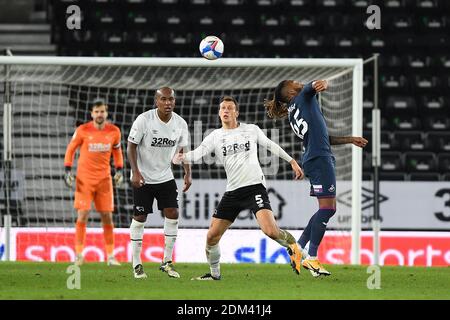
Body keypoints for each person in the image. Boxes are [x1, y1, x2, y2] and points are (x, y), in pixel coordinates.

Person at [173, 96, 304, 280]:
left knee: (271, 231)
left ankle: (296, 249)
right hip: (233, 191)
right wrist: (181, 158)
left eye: (229, 108)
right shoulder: (215, 136)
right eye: (222, 108)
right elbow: (197, 154)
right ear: (219, 113)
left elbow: (270, 145)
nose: (225, 111)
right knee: (211, 236)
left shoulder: (251, 130)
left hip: (254, 187)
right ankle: (214, 275)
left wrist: (291, 161)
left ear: (237, 112)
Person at [264, 79, 368, 277]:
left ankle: (298, 248)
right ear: (291, 92)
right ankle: (311, 258)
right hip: (319, 159)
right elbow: (315, 84)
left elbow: (323, 138)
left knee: (326, 208)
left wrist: (350, 139)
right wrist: (324, 83)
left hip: (314, 158)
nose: (299, 82)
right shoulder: (303, 96)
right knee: (328, 208)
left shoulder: (295, 111)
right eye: (295, 82)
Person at [127, 87, 191, 279]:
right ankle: (137, 264)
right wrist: (136, 172)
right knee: (140, 216)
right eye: (163, 99)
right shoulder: (144, 120)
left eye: (171, 99)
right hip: (143, 177)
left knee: (173, 212)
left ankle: (166, 261)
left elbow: (182, 150)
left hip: (165, 176)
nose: (168, 103)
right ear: (156, 101)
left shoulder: (180, 123)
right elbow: (131, 146)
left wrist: (188, 173)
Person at [64, 99, 124, 266]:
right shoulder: (83, 130)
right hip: (84, 180)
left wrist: (119, 170)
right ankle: (78, 255)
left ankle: (111, 256)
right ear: (91, 114)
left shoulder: (114, 131)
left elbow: (118, 153)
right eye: (96, 112)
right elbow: (70, 149)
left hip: (104, 180)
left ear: (106, 113)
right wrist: (67, 170)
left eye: (102, 111)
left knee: (107, 217)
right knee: (83, 214)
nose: (99, 114)